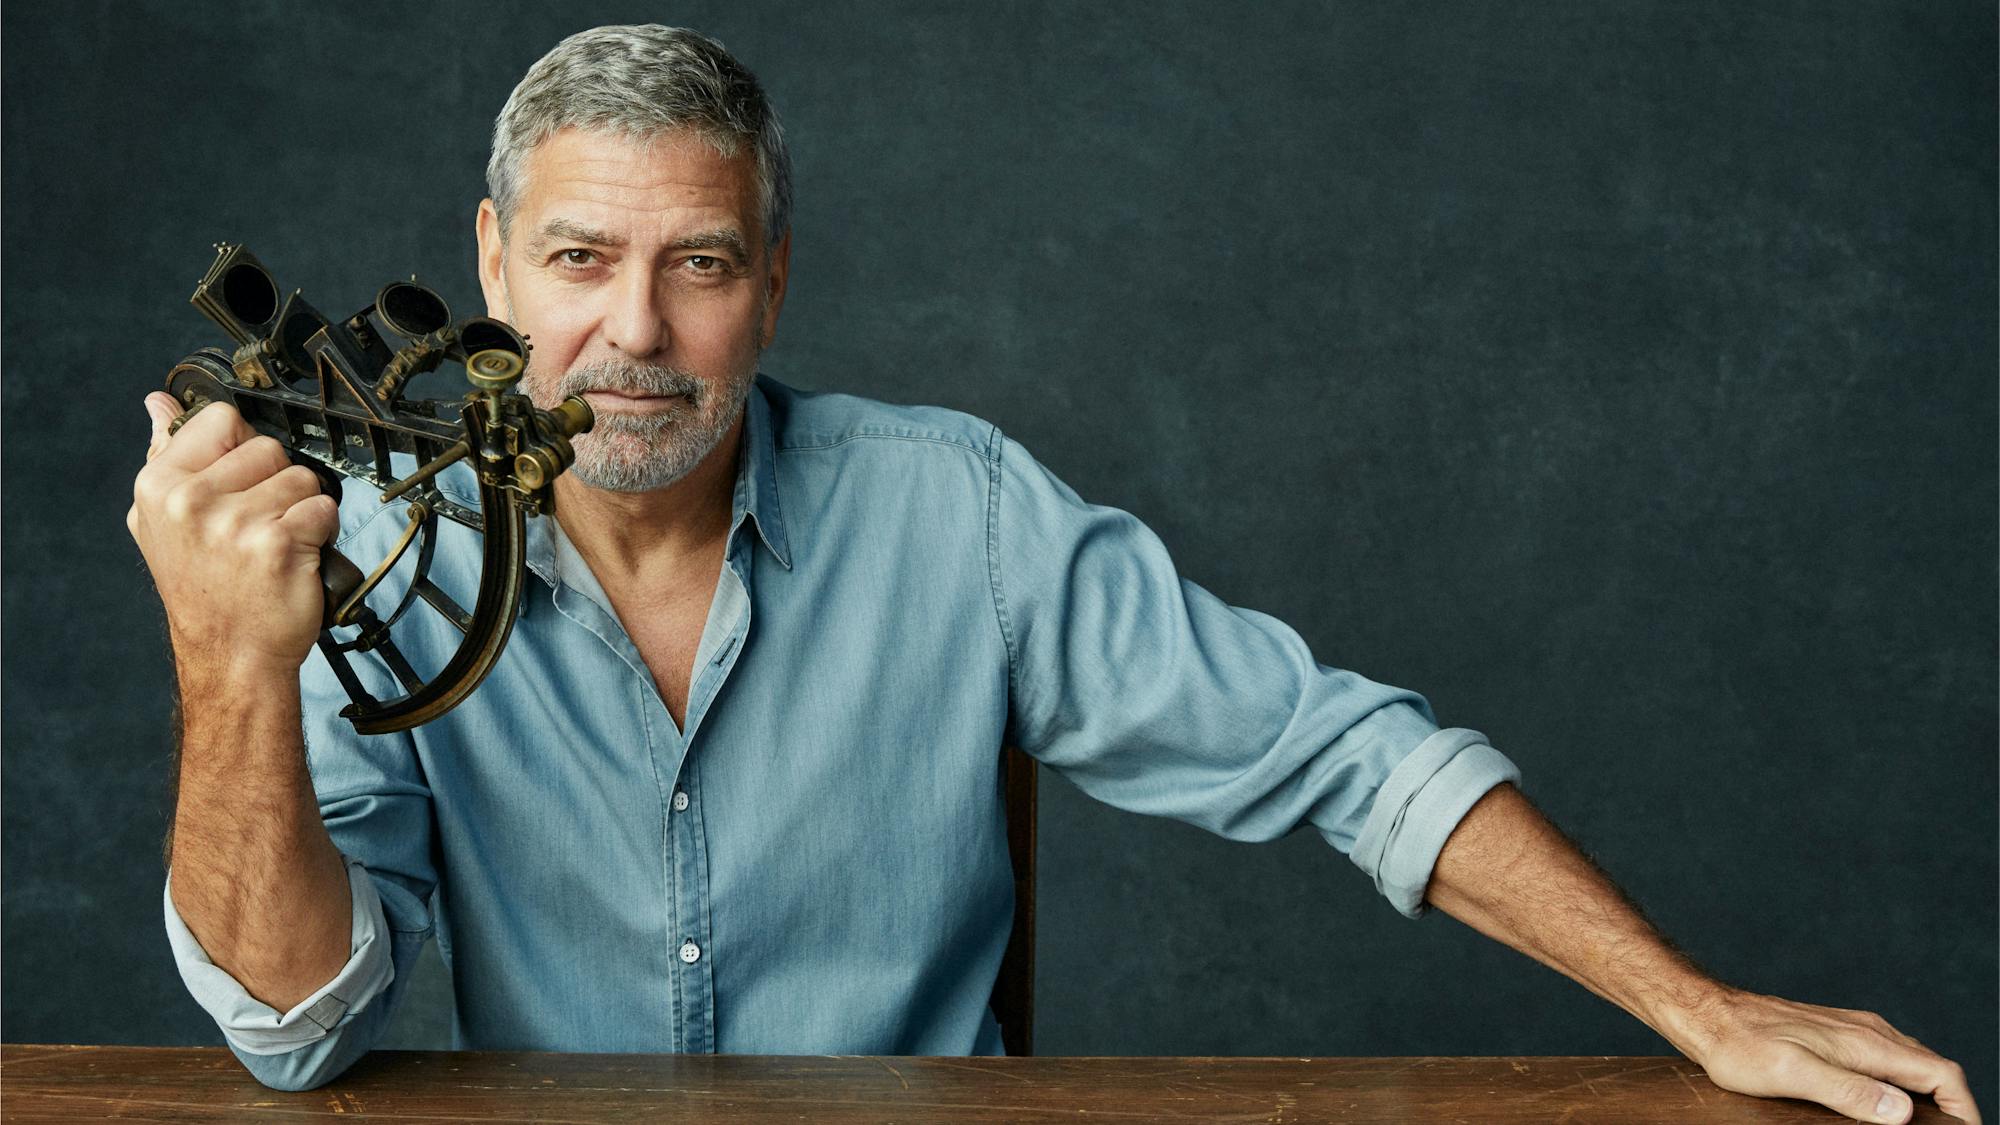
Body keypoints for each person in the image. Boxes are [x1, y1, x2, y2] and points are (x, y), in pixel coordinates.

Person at [126, 24, 1980, 1121]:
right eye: (581, 259)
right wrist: (230, 670)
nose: (635, 332)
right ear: (491, 264)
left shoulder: (961, 519)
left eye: (698, 265)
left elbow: (1346, 753)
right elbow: (300, 1033)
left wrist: (1694, 1004)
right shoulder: (366, 558)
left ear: (776, 278)